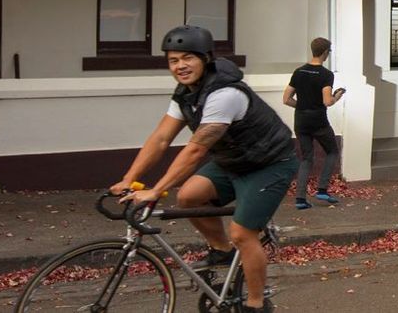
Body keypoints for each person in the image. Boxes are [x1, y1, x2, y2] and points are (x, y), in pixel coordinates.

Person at [115, 25, 296, 313]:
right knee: (188, 198)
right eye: (173, 60)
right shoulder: (187, 93)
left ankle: (256, 304)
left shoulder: (224, 94)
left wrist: (156, 190)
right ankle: (222, 251)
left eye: (188, 58)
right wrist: (129, 178)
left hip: (269, 163)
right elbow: (161, 138)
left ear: (206, 59)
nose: (180, 66)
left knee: (243, 233)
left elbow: (196, 149)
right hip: (233, 160)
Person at [282, 36, 346, 209]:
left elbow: (286, 99)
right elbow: (327, 101)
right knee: (332, 151)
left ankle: (300, 200)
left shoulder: (299, 71)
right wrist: (337, 96)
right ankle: (322, 189)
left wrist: (302, 105)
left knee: (306, 158)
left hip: (301, 120)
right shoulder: (326, 75)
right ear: (325, 52)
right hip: (318, 120)